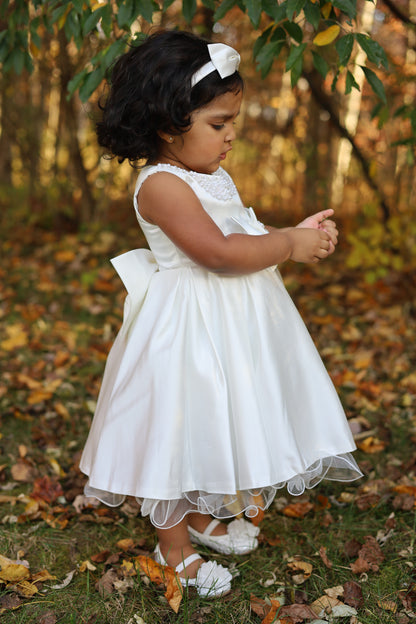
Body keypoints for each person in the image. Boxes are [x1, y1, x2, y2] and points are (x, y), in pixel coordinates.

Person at [80, 29, 362, 598]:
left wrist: (293, 234)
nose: (231, 135)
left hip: (231, 326)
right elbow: (219, 254)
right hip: (186, 332)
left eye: (232, 121)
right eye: (218, 124)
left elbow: (239, 234)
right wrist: (287, 243)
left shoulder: (207, 174)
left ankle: (203, 518)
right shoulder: (161, 185)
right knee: (176, 427)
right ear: (166, 125)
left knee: (216, 420)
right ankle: (174, 551)